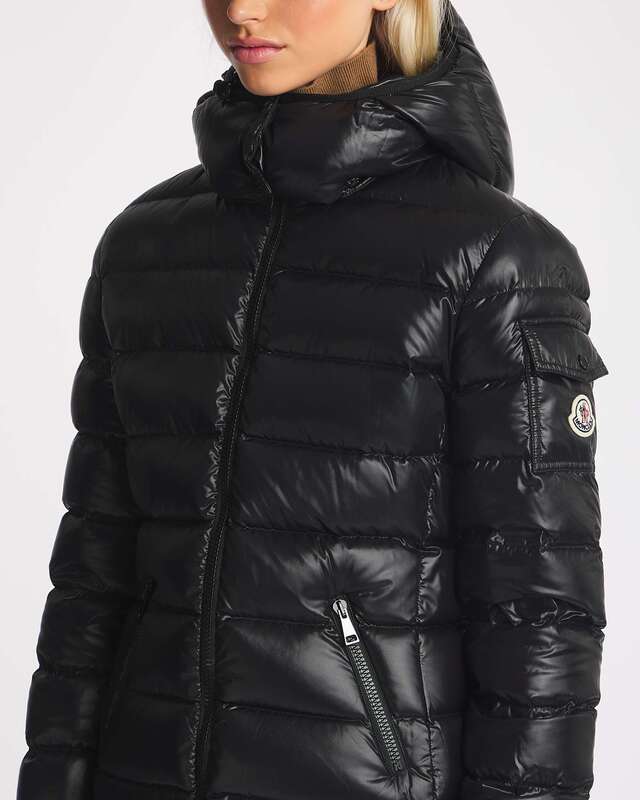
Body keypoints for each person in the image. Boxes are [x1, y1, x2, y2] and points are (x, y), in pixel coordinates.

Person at [17, 1, 607, 798]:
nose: (241, 10)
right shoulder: (145, 246)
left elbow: (539, 614)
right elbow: (93, 578)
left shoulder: (495, 261)